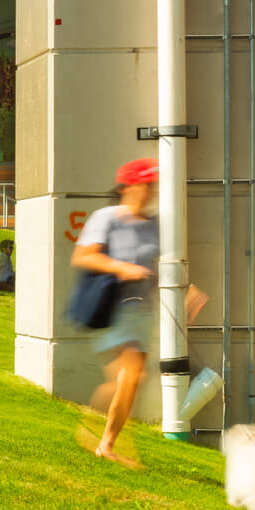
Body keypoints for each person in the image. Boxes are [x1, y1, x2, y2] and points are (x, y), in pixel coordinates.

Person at [72, 158, 208, 464]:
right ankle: (105, 444)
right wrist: (120, 267)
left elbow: (157, 267)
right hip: (112, 309)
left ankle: (95, 432)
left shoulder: (154, 225)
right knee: (132, 376)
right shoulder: (107, 218)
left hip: (141, 313)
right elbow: (83, 257)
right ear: (128, 186)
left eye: (152, 185)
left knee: (124, 382)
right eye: (146, 184)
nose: (151, 191)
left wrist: (189, 291)